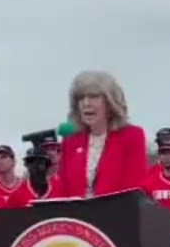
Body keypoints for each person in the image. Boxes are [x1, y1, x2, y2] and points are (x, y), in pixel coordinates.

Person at [48, 70, 149, 199]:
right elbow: (62, 190)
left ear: (110, 102)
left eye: (93, 97)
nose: (86, 103)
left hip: (117, 215)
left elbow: (134, 190)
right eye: (81, 98)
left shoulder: (132, 136)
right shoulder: (71, 139)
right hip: (76, 216)